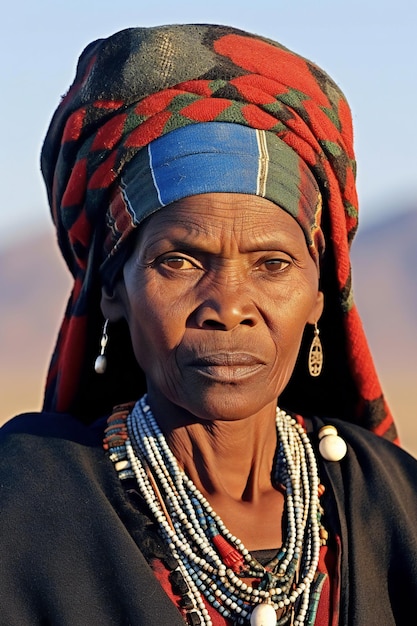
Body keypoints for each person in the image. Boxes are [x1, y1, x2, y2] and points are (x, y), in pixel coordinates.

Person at [0, 23, 416, 626]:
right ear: (115, 288)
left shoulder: (391, 502)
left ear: (318, 296)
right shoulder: (26, 501)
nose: (228, 305)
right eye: (179, 261)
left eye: (272, 265)